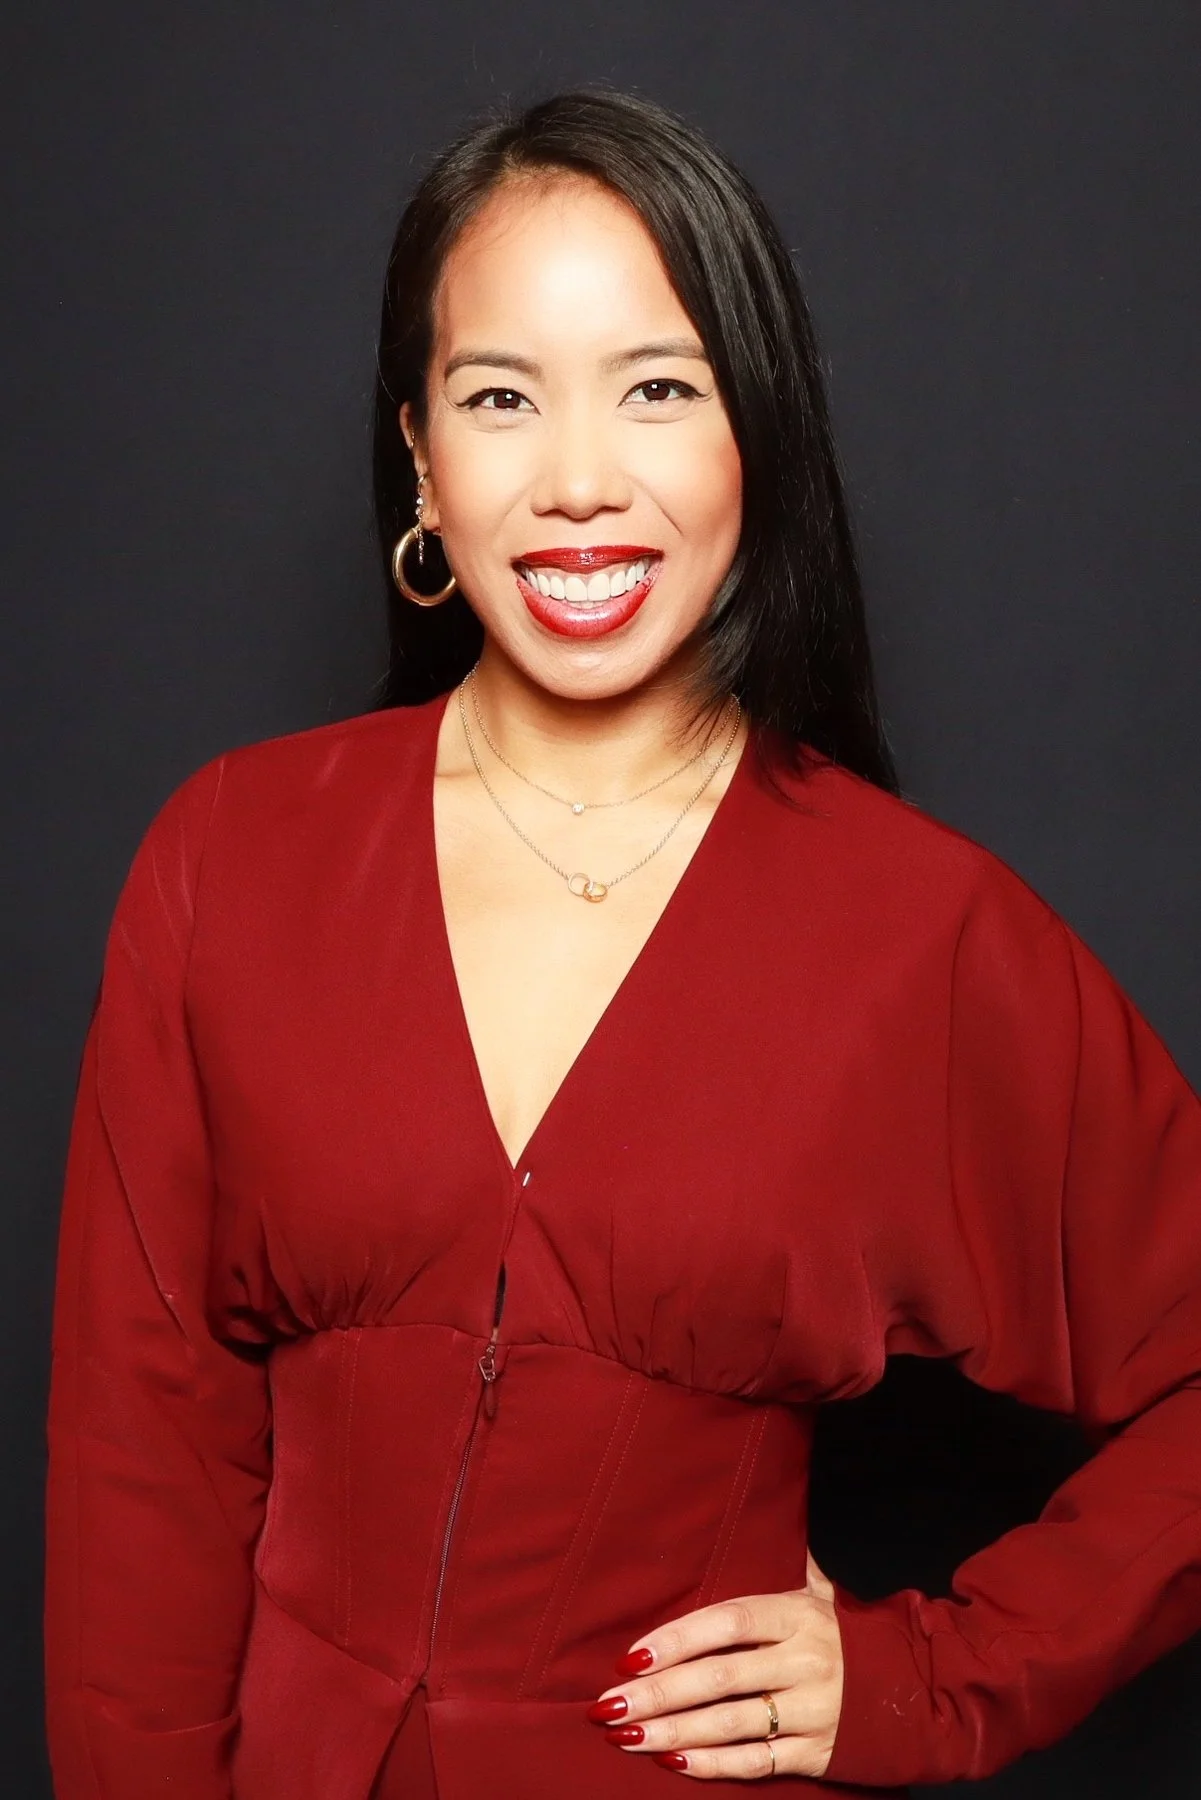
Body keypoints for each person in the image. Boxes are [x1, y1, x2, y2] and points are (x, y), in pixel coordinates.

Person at [43, 86, 1201, 1800]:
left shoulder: (923, 934)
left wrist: (927, 1678)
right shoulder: (234, 856)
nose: (580, 482)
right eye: (500, 397)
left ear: (760, 438)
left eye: (660, 389)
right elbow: (145, 1472)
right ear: (422, 454)